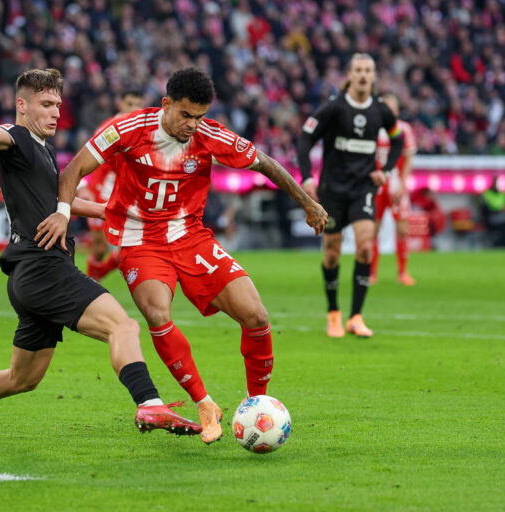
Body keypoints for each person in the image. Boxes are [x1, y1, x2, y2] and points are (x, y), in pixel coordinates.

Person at [36, 67, 327, 444]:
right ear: (166, 104)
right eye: (186, 115)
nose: (193, 125)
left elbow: (266, 164)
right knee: (157, 312)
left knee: (256, 315)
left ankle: (258, 401)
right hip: (140, 240)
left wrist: (308, 204)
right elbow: (73, 170)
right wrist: (62, 213)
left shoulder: (209, 135)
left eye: (200, 116)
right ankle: (204, 403)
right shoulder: (128, 128)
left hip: (191, 237)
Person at [0, 68, 201, 443]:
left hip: (29, 275)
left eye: (58, 105)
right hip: (44, 266)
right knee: (123, 326)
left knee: (22, 378)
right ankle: (149, 402)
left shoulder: (44, 148)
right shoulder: (16, 138)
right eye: (46, 104)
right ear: (22, 105)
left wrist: (112, 209)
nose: (55, 112)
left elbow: (62, 201)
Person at [297, 53, 404, 338]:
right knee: (332, 253)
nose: (363, 75)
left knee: (366, 247)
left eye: (368, 70)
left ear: (374, 76)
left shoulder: (382, 111)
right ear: (349, 74)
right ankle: (333, 313)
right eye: (358, 70)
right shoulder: (334, 108)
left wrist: (388, 170)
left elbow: (398, 140)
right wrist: (307, 177)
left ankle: (356, 316)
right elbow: (305, 137)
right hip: (332, 191)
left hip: (363, 189)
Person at [79, 90, 145, 281]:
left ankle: (94, 280)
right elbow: (86, 154)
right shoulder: (110, 128)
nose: (134, 109)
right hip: (100, 192)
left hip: (125, 195)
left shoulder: (144, 130)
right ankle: (91, 286)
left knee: (133, 245)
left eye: (138, 104)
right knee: (99, 248)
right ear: (120, 104)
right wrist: (83, 185)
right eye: (130, 104)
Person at [371, 93, 417, 286]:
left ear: (397, 110)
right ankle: (371, 273)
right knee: (373, 228)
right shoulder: (372, 129)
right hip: (376, 186)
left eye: (392, 107)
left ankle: (402, 272)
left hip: (396, 184)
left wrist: (403, 183)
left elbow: (408, 158)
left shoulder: (404, 129)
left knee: (403, 229)